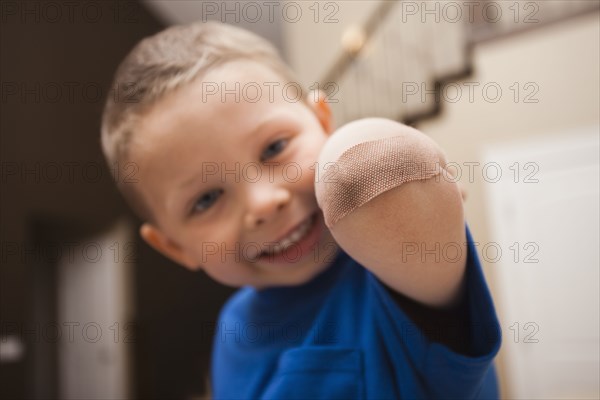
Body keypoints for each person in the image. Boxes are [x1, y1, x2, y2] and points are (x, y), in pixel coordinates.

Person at [100, 21, 501, 399]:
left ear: (323, 122)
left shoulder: (389, 271)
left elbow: (380, 174)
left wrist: (414, 197)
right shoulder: (232, 326)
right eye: (206, 199)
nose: (263, 203)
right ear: (174, 247)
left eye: (274, 148)